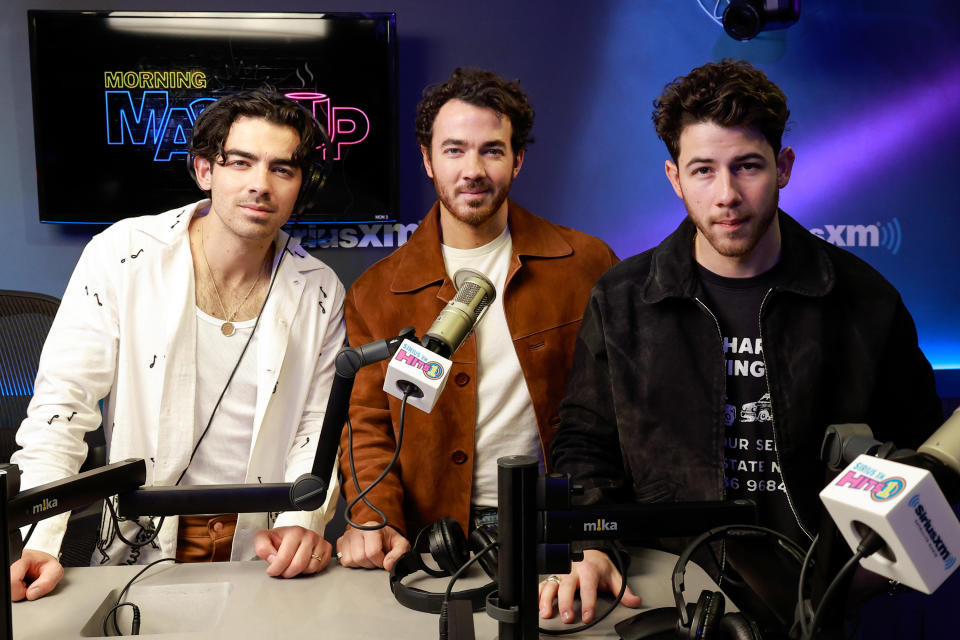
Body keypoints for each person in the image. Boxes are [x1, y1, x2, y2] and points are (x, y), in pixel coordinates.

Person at [539, 59, 942, 628]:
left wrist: (870, 568)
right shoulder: (623, 298)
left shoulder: (863, 298)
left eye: (747, 166)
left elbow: (920, 452)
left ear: (783, 167)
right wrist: (591, 544)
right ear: (675, 178)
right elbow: (585, 443)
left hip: (821, 589)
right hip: (672, 585)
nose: (726, 194)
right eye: (703, 170)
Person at [9, 88, 346, 602]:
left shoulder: (320, 289)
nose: (260, 184)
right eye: (240, 162)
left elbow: (317, 430)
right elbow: (64, 408)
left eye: (282, 169)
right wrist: (38, 541)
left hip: (262, 555)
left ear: (300, 185)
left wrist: (305, 521)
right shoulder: (123, 255)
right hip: (135, 551)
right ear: (204, 170)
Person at [336, 68, 618, 570]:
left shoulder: (586, 263)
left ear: (518, 159)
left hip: (559, 527)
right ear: (426, 160)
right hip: (439, 536)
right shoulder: (377, 292)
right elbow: (367, 426)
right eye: (454, 150)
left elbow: (620, 412)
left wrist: (599, 533)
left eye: (491, 150)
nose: (473, 169)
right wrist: (374, 516)